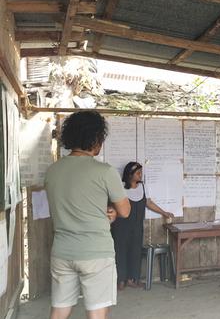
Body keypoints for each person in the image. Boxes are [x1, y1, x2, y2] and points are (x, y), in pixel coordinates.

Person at [45, 111, 131, 319]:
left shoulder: (52, 171)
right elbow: (125, 211)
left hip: (62, 252)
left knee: (59, 310)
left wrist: (105, 210)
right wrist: (112, 212)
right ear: (95, 138)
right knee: (97, 312)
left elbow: (73, 204)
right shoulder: (104, 171)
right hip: (96, 253)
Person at [112, 161, 174, 290]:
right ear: (130, 174)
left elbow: (149, 203)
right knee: (120, 252)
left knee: (135, 252)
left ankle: (132, 279)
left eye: (141, 172)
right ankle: (120, 280)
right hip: (121, 227)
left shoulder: (143, 188)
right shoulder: (120, 187)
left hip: (136, 227)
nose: (141, 175)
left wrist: (163, 212)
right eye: (138, 173)